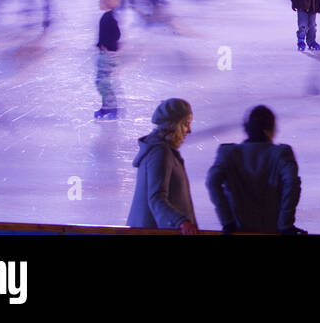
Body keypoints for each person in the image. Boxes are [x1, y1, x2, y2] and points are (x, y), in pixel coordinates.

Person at [206, 105, 302, 234]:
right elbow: (292, 184)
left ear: (247, 128)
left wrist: (227, 221)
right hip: (272, 230)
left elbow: (212, 182)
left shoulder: (228, 154)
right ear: (271, 128)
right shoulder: (281, 154)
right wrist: (285, 223)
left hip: (238, 230)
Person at [127, 98, 199, 233]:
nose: (189, 130)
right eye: (186, 124)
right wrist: (181, 222)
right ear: (173, 125)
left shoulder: (164, 151)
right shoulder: (160, 153)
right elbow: (156, 198)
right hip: (153, 231)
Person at [94, 0, 121, 120]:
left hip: (108, 55)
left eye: (102, 1)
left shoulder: (110, 17)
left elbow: (116, 34)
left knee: (104, 83)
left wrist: (106, 46)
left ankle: (112, 108)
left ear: (108, 3)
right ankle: (106, 107)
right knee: (101, 82)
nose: (100, 3)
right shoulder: (107, 16)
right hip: (105, 54)